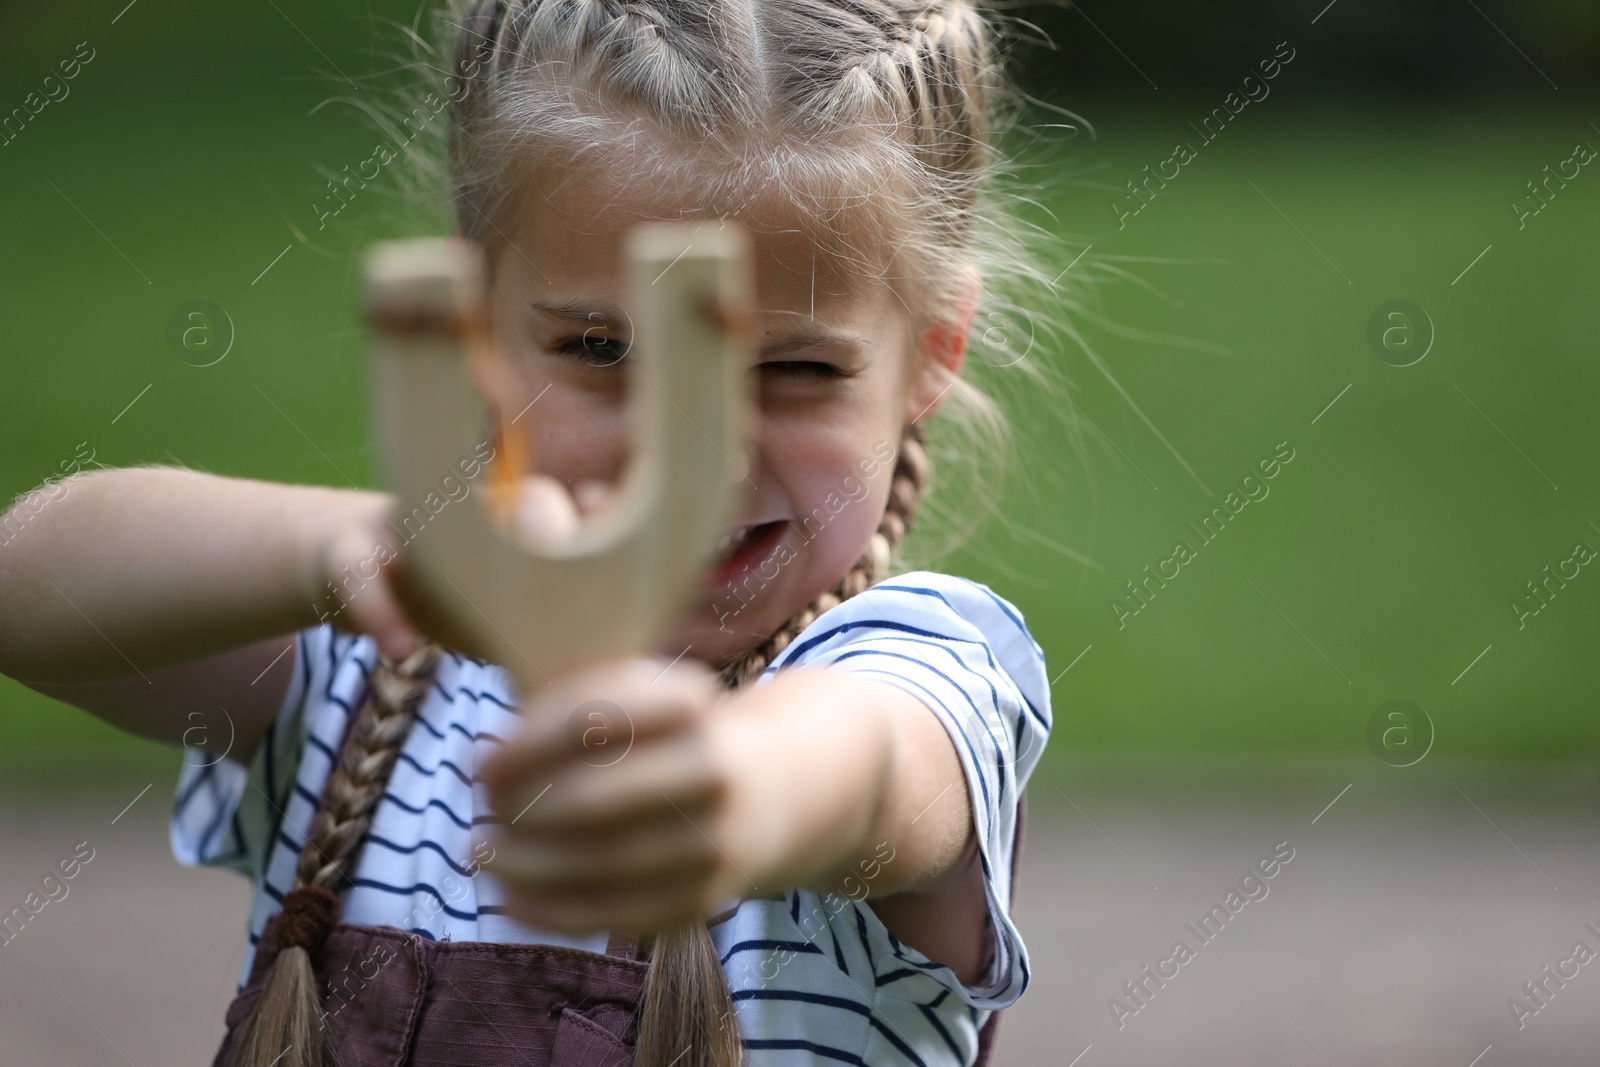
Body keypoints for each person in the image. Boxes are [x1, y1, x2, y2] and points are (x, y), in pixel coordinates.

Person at [0, 1, 1051, 1064]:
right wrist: (361, 552)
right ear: (475, 324)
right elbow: (29, 589)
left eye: (797, 368)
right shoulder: (368, 670)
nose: (702, 457)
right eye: (599, 348)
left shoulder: (924, 660)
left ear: (932, 351)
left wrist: (729, 783)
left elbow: (869, 768)